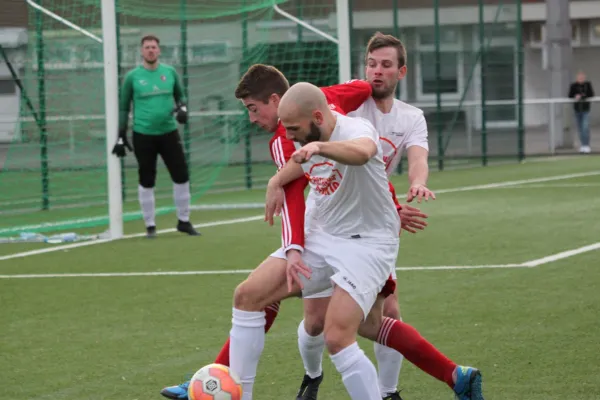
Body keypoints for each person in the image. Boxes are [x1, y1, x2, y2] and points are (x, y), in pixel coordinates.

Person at [161, 64, 482, 400]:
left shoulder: (355, 130)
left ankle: (411, 384)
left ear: (317, 116)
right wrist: (290, 233)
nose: (288, 137)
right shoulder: (300, 133)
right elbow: (297, 174)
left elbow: (362, 153)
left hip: (367, 243)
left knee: (343, 334)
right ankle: (238, 393)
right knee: (248, 296)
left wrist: (319, 149)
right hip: (324, 235)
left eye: (294, 129)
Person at [112, 34, 199, 238]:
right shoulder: (133, 77)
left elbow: (181, 97)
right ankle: (150, 224)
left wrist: (183, 110)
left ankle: (184, 221)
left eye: (154, 47)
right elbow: (124, 107)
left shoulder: (169, 73)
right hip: (143, 134)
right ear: (142, 51)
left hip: (169, 132)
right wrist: (120, 135)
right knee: (147, 178)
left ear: (159, 50)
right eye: (147, 47)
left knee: (181, 175)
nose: (151, 50)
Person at [568, 71, 595, 154]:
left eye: (582, 77)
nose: (581, 79)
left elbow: (591, 94)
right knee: (580, 128)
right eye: (579, 77)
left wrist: (583, 96)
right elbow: (570, 95)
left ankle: (586, 145)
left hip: (585, 109)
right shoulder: (573, 85)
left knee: (585, 127)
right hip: (577, 109)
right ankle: (582, 145)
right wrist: (575, 96)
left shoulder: (587, 85)